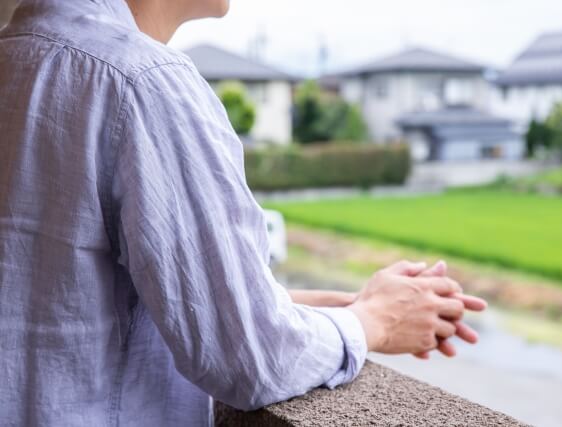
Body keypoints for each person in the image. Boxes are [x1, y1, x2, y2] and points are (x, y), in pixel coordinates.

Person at [0, 0, 487, 425]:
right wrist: (371, 322)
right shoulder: (142, 82)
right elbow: (248, 361)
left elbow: (81, 295)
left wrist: (355, 304)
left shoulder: (17, 57)